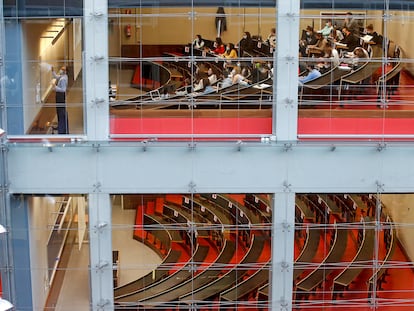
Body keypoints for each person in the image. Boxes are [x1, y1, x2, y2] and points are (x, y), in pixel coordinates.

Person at [51, 66, 69, 134]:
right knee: (59, 111)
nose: (61, 70)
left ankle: (62, 128)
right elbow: (56, 77)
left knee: (60, 111)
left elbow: (63, 90)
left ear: (65, 71)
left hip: (60, 96)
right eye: (61, 69)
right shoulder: (62, 76)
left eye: (63, 69)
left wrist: (55, 87)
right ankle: (61, 126)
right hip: (59, 95)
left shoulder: (64, 79)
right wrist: (53, 71)